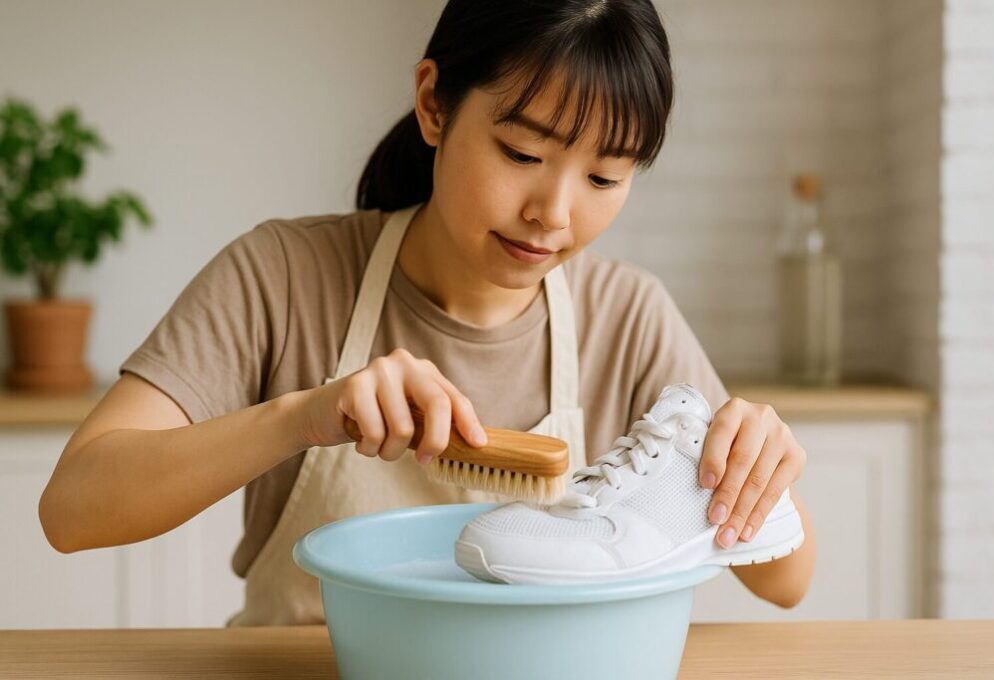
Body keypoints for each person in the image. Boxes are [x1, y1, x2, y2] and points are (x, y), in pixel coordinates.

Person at [39, 0, 815, 625]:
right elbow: (72, 512)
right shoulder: (280, 273)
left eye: (605, 178)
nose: (553, 213)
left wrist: (756, 473)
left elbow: (787, 583)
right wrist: (302, 417)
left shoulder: (628, 313)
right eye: (522, 155)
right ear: (433, 105)